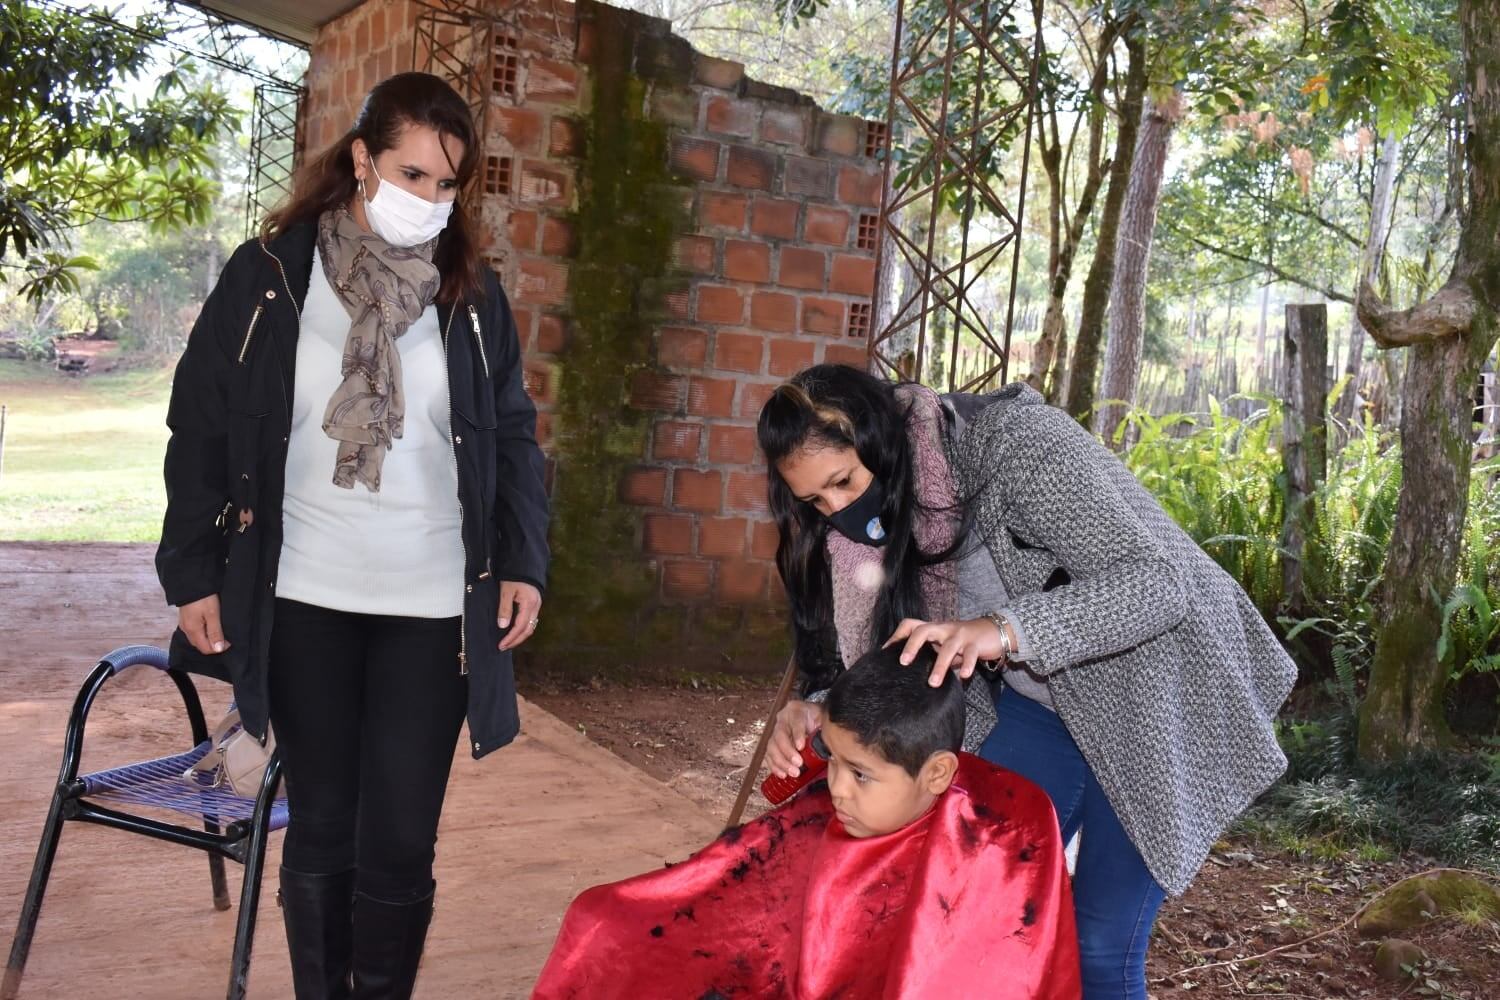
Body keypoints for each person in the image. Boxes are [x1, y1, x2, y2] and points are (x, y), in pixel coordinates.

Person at [155, 72, 549, 999]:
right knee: (323, 824)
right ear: (362, 161)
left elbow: (512, 432)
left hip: (431, 604)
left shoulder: (473, 295)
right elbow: (202, 426)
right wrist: (192, 569)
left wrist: (523, 558)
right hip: (304, 596)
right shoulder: (268, 278)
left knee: (403, 838)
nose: (430, 202)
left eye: (449, 185)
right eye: (411, 174)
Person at [757, 364, 1297, 1000]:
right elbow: (882, 653)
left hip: (1162, 695)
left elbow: (1158, 582)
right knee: (969, 907)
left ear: (879, 437)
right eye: (817, 501)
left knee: (1100, 947)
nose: (840, 512)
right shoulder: (854, 541)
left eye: (844, 481)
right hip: (1044, 703)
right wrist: (821, 707)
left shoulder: (1012, 443)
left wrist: (1000, 631)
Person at [532, 645, 1081, 999]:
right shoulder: (837, 804)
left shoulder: (1001, 844)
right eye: (832, 759)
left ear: (937, 774)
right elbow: (732, 889)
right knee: (602, 922)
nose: (834, 787)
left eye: (860, 775)